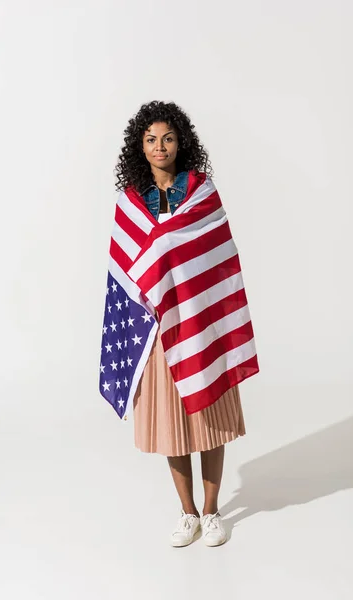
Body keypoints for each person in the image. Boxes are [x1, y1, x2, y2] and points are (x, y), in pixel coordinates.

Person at [114, 100, 248, 547]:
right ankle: (187, 512)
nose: (159, 146)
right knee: (173, 422)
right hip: (158, 328)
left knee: (209, 415)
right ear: (140, 146)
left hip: (200, 320)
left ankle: (212, 513)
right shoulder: (131, 203)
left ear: (180, 142)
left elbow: (217, 254)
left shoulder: (201, 191)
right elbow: (129, 268)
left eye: (167, 138)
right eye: (150, 139)